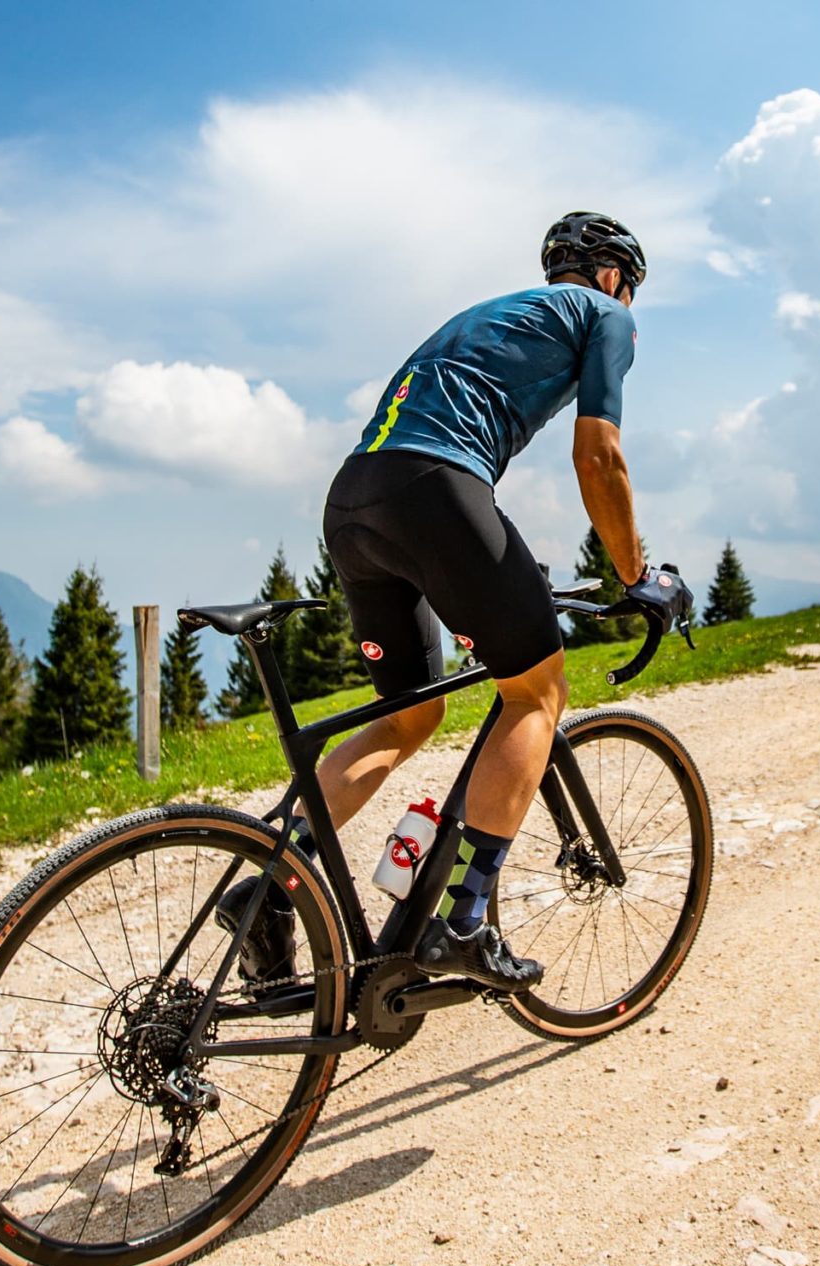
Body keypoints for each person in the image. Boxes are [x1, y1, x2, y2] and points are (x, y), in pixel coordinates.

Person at [219, 212, 691, 992]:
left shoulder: (494, 315)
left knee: (409, 714)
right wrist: (636, 572)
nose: (627, 301)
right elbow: (598, 452)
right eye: (630, 287)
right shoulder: (606, 317)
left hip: (356, 498)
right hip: (437, 494)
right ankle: (466, 921)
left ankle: (269, 888)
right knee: (536, 692)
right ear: (614, 275)